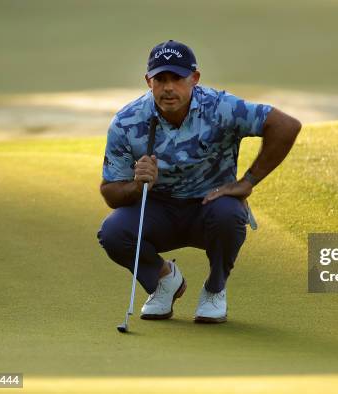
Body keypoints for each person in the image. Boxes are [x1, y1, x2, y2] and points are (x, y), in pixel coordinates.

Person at [97, 40, 301, 323]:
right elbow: (110, 192)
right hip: (160, 210)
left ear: (194, 78)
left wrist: (248, 181)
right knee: (113, 231)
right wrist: (137, 184)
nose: (169, 87)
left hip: (210, 206)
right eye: (161, 79)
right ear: (148, 81)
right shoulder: (127, 121)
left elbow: (286, 125)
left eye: (177, 78)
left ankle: (215, 289)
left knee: (229, 214)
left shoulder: (220, 106)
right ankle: (165, 280)